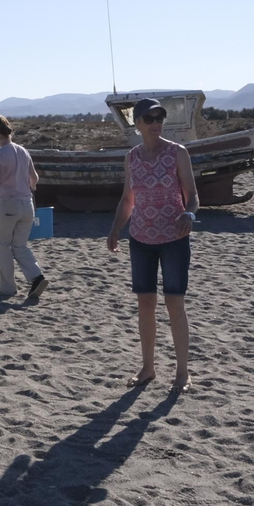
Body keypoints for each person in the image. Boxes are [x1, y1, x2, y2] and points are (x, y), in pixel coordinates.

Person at [106, 98, 198, 392]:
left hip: (174, 239)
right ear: (138, 123)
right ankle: (148, 368)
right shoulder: (131, 157)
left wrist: (189, 213)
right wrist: (115, 229)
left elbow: (192, 195)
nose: (156, 123)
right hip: (141, 239)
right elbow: (127, 199)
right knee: (145, 303)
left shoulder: (177, 153)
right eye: (150, 118)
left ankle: (182, 373)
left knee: (175, 304)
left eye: (160, 118)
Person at [0, 115, 48, 302]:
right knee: (20, 245)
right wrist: (30, 186)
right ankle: (37, 276)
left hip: (9, 204)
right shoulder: (23, 151)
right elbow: (34, 178)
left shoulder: (0, 154)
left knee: (4, 245)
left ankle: (7, 288)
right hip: (26, 204)